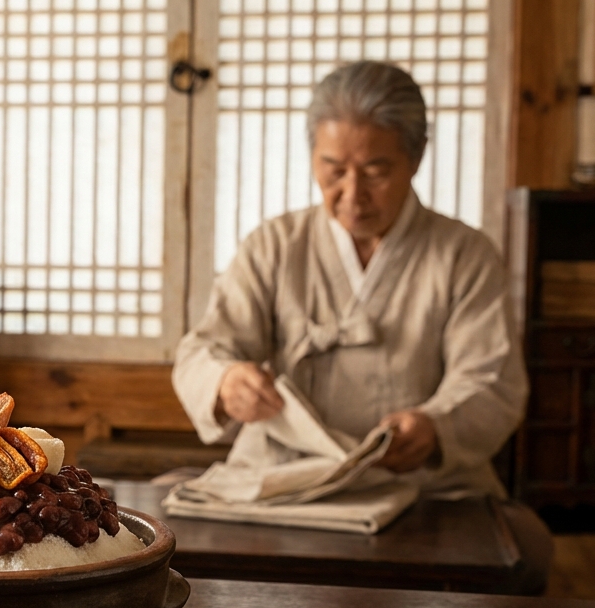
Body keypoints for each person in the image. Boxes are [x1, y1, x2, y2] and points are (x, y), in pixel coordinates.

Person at [172, 61, 528, 499]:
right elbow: (202, 351)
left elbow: (492, 380)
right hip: (287, 477)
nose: (352, 194)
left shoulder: (464, 255)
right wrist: (226, 382)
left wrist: (435, 426)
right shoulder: (277, 245)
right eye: (334, 170)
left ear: (416, 158)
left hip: (422, 486)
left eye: (375, 172)